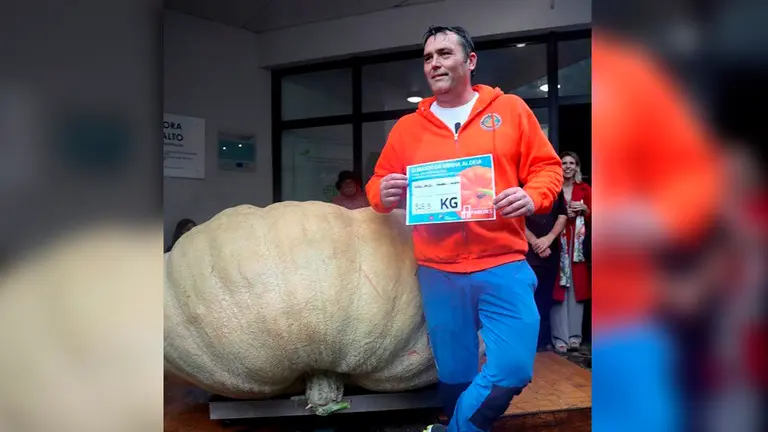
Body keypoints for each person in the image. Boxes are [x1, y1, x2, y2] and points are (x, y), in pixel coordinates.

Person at [365, 25, 563, 432]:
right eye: (427, 57)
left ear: (470, 61)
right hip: (439, 271)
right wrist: (382, 192)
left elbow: (547, 168)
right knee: (456, 375)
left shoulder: (510, 110)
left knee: (511, 369)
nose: (434, 63)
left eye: (444, 53)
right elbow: (377, 184)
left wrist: (533, 196)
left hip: (503, 263)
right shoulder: (407, 128)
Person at [550, 151, 591, 353]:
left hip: (577, 250)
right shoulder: (552, 188)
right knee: (559, 292)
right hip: (557, 246)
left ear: (577, 167)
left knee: (576, 292)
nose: (567, 166)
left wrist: (585, 209)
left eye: (571, 163)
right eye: (564, 162)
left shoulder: (585, 189)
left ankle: (575, 337)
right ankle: (560, 338)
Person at [525, 190, 568, 352]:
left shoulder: (556, 188)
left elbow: (562, 215)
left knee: (546, 297)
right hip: (527, 251)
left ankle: (542, 341)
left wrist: (548, 239)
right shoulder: (520, 186)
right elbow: (515, 220)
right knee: (528, 298)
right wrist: (536, 242)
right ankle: (528, 342)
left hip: (551, 250)